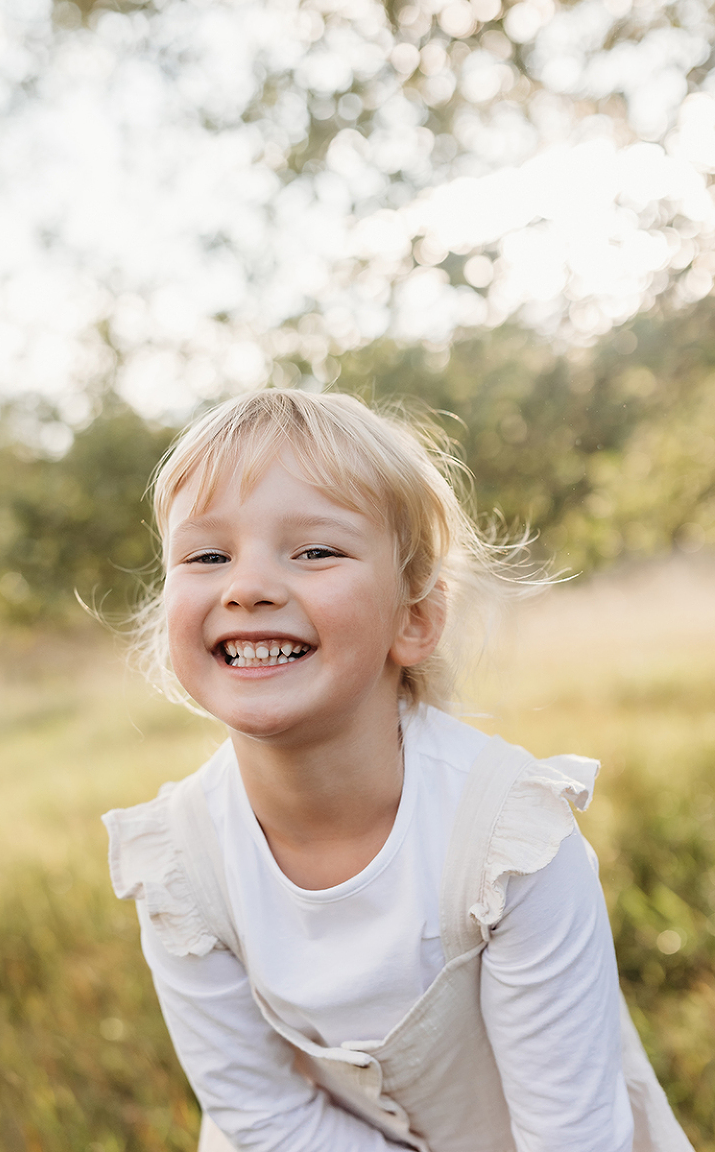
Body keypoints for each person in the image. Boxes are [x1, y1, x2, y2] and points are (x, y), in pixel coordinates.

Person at [103, 389, 693, 1152]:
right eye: (207, 555)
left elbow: (572, 1133)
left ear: (413, 618)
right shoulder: (179, 863)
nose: (245, 586)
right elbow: (262, 1114)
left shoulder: (508, 839)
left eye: (315, 550)